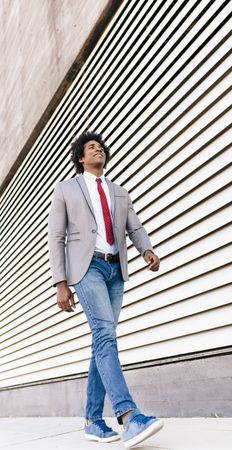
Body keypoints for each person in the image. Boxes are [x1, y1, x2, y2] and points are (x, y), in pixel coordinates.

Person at [47, 131, 164, 448]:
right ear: (81, 158)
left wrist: (146, 250)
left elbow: (134, 226)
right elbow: (56, 237)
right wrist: (60, 283)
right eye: (90, 147)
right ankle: (129, 417)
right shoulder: (66, 189)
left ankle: (93, 420)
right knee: (105, 334)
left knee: (103, 339)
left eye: (100, 146)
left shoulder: (118, 192)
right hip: (87, 269)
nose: (97, 149)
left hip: (115, 270)